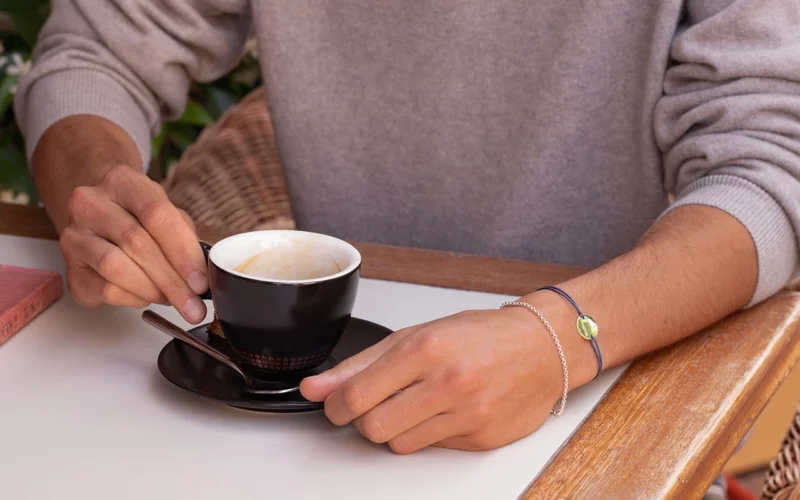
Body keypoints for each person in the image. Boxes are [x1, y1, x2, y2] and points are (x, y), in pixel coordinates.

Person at [14, 0, 799, 459]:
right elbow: (97, 46)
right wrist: (92, 185)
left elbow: (773, 168)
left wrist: (559, 338)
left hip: (613, 368)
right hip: (322, 429)